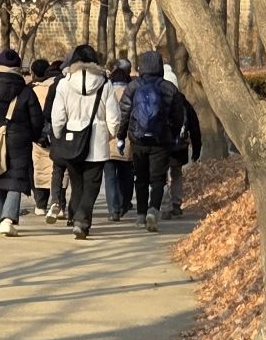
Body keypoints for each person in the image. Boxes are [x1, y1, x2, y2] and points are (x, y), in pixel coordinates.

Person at [49, 43, 121, 240]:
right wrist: (110, 134)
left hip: (72, 140)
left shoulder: (64, 83)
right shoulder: (105, 84)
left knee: (77, 183)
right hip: (97, 141)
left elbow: (57, 116)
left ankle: (78, 218)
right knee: (92, 184)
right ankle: (81, 220)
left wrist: (58, 134)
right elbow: (114, 117)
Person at [116, 50, 188, 230]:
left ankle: (141, 215)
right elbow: (178, 116)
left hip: (138, 140)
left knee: (140, 178)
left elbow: (124, 114)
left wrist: (121, 136)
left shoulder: (133, 87)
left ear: (141, 67)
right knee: (158, 179)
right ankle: (153, 210)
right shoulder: (169, 88)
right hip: (161, 140)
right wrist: (172, 134)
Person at [0, 49, 43, 235]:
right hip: (20, 139)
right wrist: (35, 136)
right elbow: (36, 119)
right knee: (17, 178)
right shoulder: (26, 91)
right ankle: (8, 218)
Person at [160, 63, 202, 219]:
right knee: (177, 174)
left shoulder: (158, 101)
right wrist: (196, 148)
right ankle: (176, 204)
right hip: (180, 145)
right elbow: (194, 126)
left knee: (161, 176)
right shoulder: (184, 102)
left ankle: (165, 205)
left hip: (162, 145)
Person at [104, 58, 134, 220]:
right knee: (126, 175)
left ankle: (113, 210)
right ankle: (124, 204)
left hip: (108, 139)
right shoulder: (132, 91)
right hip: (127, 140)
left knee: (110, 176)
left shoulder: (106, 92)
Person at [42, 59, 68, 222]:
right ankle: (69, 208)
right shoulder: (79, 85)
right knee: (73, 171)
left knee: (58, 169)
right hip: (77, 133)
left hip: (58, 132)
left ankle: (56, 202)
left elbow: (46, 113)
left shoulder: (55, 86)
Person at [28, 58, 55, 215]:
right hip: (55, 134)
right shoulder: (56, 86)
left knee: (38, 169)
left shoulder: (31, 90)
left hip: (36, 136)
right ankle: (57, 202)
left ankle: (40, 203)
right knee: (55, 168)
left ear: (33, 73)